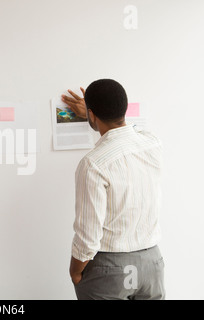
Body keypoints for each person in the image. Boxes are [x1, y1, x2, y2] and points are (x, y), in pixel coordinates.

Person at [61, 79, 166, 300]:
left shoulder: (93, 164)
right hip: (152, 263)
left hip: (109, 268)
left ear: (91, 114)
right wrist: (94, 114)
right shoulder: (153, 143)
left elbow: (88, 234)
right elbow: (131, 132)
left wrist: (75, 271)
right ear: (124, 109)